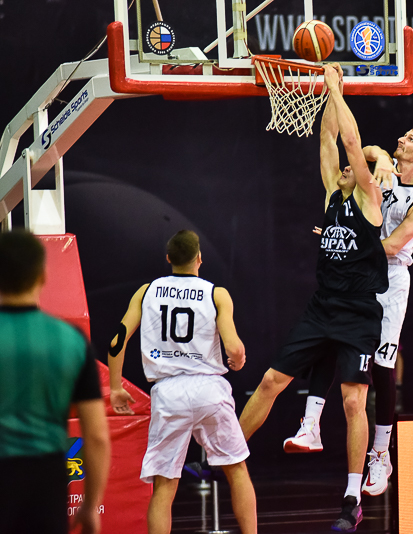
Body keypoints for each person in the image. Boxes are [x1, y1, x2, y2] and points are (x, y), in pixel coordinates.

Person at [237, 64, 387, 532]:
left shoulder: (370, 199)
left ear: (367, 174)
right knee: (269, 381)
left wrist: (337, 88)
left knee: (353, 404)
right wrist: (325, 91)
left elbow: (350, 142)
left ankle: (351, 499)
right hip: (322, 307)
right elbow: (328, 139)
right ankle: (226, 454)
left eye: (357, 164)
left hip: (359, 313)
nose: (346, 165)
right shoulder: (332, 196)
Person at [282, 117, 413, 497]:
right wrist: (381, 156)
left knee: (383, 367)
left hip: (390, 277)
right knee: (331, 337)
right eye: (404, 135)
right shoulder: (382, 167)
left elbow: (393, 245)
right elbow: (361, 151)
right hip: (357, 270)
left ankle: (381, 454)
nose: (402, 138)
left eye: (411, 139)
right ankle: (311, 423)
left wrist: (348, 239)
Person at [107, 230, 256, 534]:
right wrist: (238, 359)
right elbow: (233, 347)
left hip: (168, 392)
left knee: (165, 485)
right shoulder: (216, 294)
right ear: (199, 258)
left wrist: (115, 387)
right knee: (237, 470)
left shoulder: (147, 291)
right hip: (209, 389)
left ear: (168, 259)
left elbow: (116, 341)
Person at [0, 229, 110, 534]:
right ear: (43, 276)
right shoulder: (70, 340)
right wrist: (91, 504)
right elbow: (97, 436)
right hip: (46, 479)